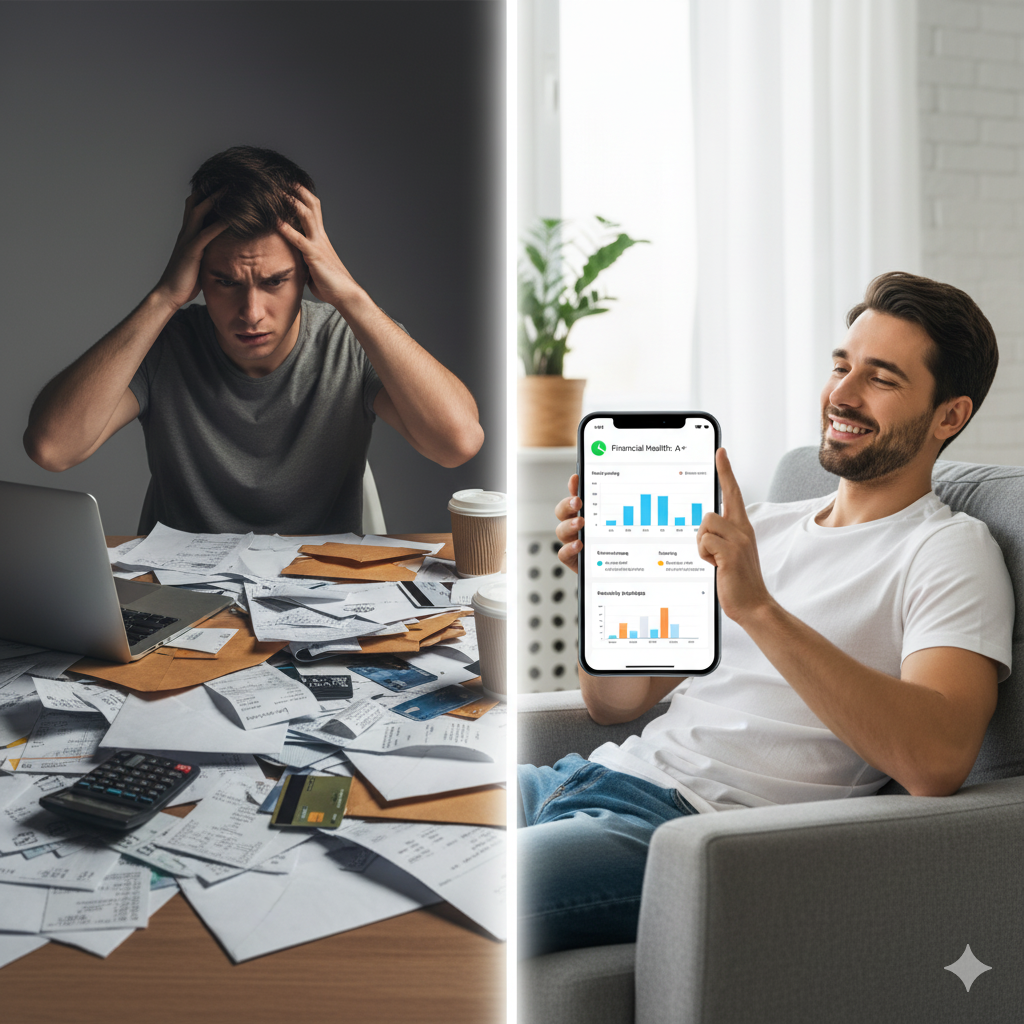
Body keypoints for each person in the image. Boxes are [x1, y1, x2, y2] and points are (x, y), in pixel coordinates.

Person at [519, 271, 1015, 958]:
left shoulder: (948, 551)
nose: (841, 394)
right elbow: (616, 701)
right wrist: (610, 587)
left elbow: (936, 760)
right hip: (584, 776)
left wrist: (756, 607)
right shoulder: (765, 527)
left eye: (881, 378)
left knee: (438, 890)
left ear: (949, 416)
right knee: (354, 823)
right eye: (841, 366)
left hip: (682, 835)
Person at [23, 146, 484, 534]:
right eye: (225, 282)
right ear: (198, 275)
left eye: (274, 281)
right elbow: (52, 449)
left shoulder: (351, 341)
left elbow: (457, 443)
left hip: (318, 605)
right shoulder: (164, 345)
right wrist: (164, 297)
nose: (251, 312)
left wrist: (351, 297)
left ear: (307, 272)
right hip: (183, 605)